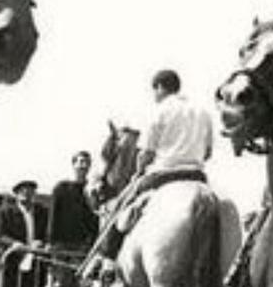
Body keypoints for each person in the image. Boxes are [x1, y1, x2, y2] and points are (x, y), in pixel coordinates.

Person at [84, 69, 214, 273]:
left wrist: (138, 172)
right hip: (198, 177)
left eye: (155, 91)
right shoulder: (203, 112)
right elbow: (207, 153)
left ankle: (107, 257)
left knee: (121, 204)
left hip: (163, 175)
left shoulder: (160, 109)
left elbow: (146, 153)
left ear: (160, 87)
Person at [47, 150, 98, 287]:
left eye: (86, 162)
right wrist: (52, 244)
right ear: (74, 164)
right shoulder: (62, 188)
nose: (83, 165)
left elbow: (94, 221)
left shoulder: (91, 190)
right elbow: (53, 216)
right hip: (62, 246)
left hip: (82, 248)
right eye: (80, 162)